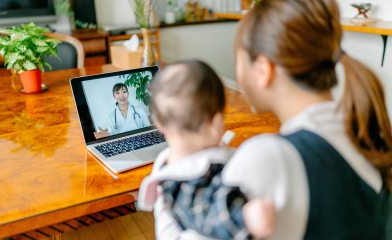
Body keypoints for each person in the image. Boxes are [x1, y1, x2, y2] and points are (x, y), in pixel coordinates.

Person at [158, 0, 392, 239]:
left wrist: (169, 175)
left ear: (263, 70)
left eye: (238, 60)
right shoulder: (365, 130)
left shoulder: (271, 157)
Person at [138, 60, 275, 240]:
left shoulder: (164, 161)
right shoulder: (194, 179)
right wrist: (247, 218)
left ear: (158, 123)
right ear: (216, 123)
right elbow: (211, 219)